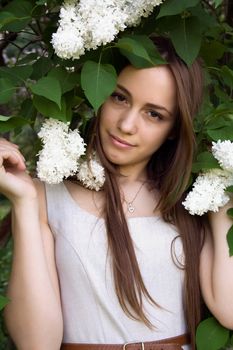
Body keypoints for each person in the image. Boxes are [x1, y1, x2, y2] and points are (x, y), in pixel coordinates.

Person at [1, 37, 233, 350]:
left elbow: (229, 311)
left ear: (175, 128)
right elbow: (35, 343)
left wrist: (220, 191)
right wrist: (24, 203)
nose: (126, 125)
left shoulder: (189, 201)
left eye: (154, 114)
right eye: (119, 98)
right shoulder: (47, 195)